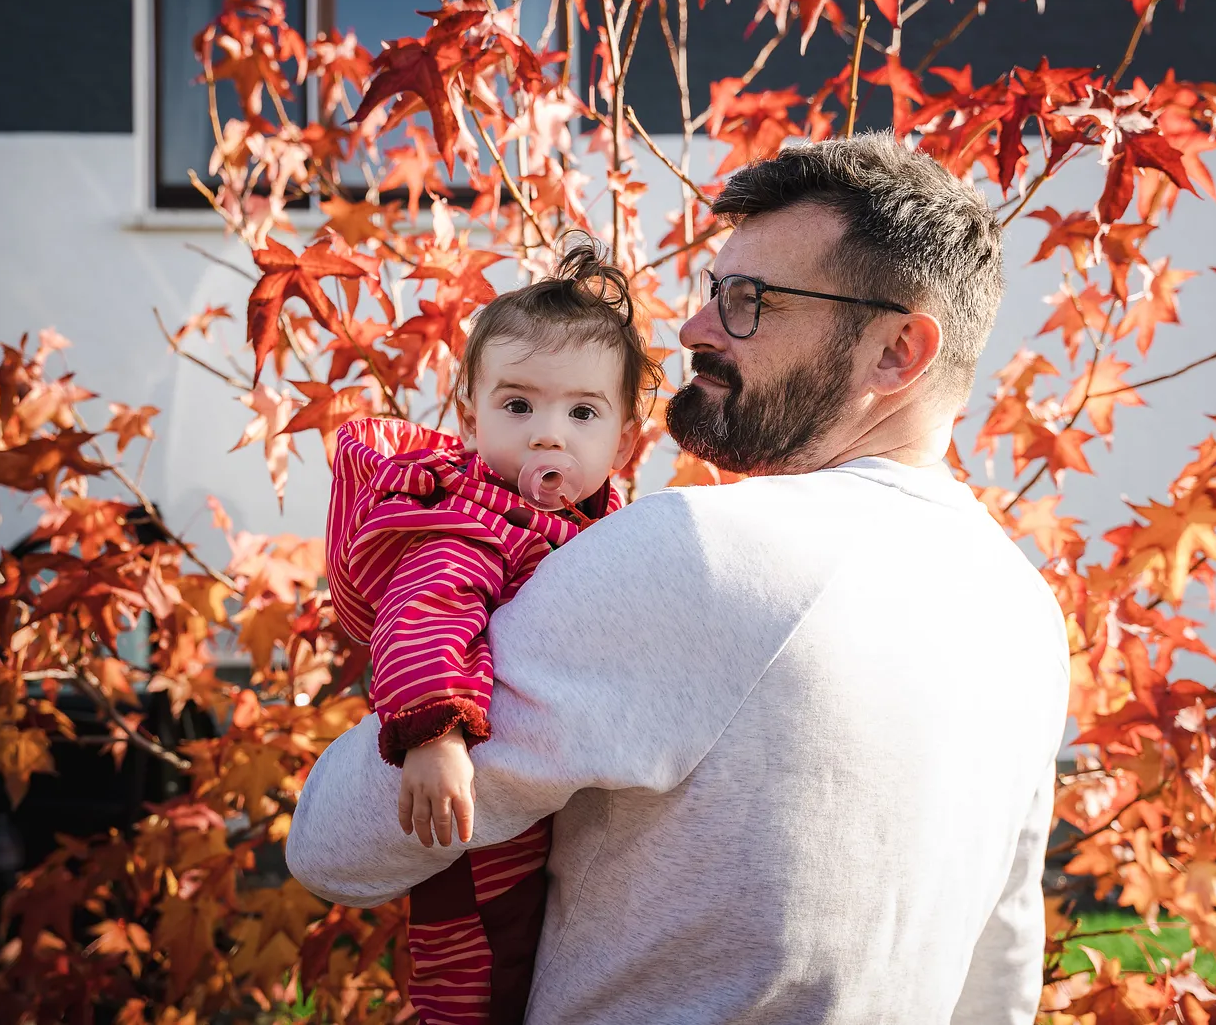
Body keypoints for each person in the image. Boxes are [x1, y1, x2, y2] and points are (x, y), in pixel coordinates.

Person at [289, 132, 1071, 1025]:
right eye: (713, 290)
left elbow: (337, 842)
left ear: (897, 351)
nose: (696, 328)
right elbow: (1001, 976)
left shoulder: (703, 550)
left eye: (750, 301)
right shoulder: (1023, 611)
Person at [322, 241, 660, 1025]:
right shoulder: (471, 525)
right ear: (470, 417)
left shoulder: (594, 527)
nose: (548, 435)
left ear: (624, 442)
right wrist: (434, 735)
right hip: (470, 809)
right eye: (518, 406)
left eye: (582, 413)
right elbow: (426, 615)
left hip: (549, 807)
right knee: (476, 975)